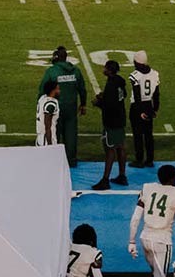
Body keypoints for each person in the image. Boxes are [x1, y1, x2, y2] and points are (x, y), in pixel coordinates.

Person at [127, 163, 175, 277]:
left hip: (145, 239)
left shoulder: (147, 188)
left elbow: (136, 217)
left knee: (155, 274)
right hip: (162, 241)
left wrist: (132, 241)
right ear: (173, 178)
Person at [38, 46, 87, 167]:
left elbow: (42, 89)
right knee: (71, 134)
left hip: (55, 108)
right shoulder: (76, 71)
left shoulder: (52, 71)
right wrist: (83, 104)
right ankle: (71, 160)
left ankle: (54, 160)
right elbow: (82, 89)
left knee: (54, 133)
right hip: (71, 107)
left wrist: (39, 104)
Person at [91, 59, 129, 191]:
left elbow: (109, 106)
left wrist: (98, 103)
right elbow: (123, 95)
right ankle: (122, 176)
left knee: (110, 149)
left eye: (105, 67)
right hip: (121, 118)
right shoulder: (119, 81)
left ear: (109, 70)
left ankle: (105, 179)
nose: (103, 69)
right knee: (121, 146)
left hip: (111, 121)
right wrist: (105, 96)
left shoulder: (111, 85)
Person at [129, 50, 160, 169]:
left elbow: (137, 95)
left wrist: (139, 111)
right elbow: (157, 94)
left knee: (138, 134)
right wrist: (155, 108)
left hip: (138, 106)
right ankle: (150, 160)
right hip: (149, 105)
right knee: (148, 134)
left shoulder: (135, 75)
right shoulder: (155, 74)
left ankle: (139, 159)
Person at [36, 78, 61, 145]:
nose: (59, 91)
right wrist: (50, 144)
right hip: (47, 139)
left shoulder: (42, 98)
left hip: (40, 137)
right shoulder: (51, 104)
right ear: (53, 91)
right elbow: (47, 126)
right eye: (58, 89)